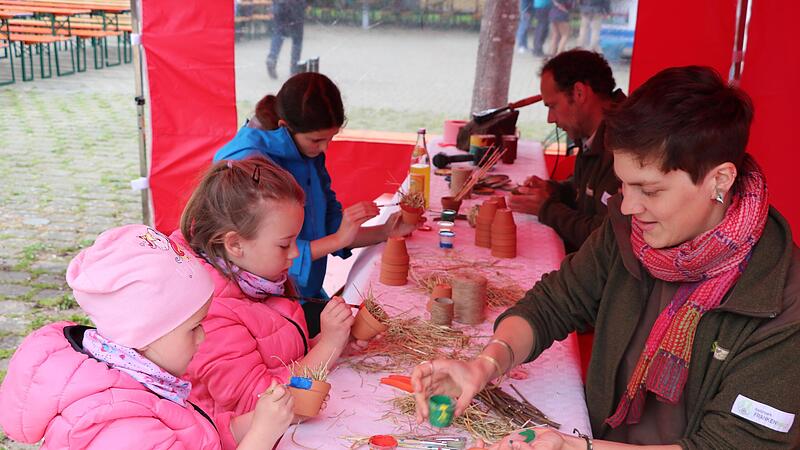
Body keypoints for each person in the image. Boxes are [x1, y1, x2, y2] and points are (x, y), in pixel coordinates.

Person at [412, 66, 800, 448]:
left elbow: (730, 445)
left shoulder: (781, 301)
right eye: (623, 184)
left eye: (649, 190)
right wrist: (484, 366)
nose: (628, 206)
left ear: (719, 180)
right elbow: (554, 303)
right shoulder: (630, 232)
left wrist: (578, 448)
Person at [0, 225, 294, 449]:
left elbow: (192, 435)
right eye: (193, 327)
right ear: (144, 333)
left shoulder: (139, 379)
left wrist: (256, 420)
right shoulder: (120, 428)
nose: (203, 337)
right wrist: (261, 436)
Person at [213, 73, 415, 337]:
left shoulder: (305, 150)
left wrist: (385, 231)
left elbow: (329, 226)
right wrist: (339, 237)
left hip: (301, 295)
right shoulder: (247, 163)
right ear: (285, 125)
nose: (324, 149)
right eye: (317, 140)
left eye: (331, 138)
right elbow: (260, 253)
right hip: (260, 305)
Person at [175, 157, 360, 417]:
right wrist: (328, 346)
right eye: (285, 244)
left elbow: (280, 356)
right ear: (235, 244)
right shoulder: (208, 312)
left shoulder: (258, 278)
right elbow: (259, 399)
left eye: (296, 239)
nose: (295, 253)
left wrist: (332, 342)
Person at [510, 49, 623, 253]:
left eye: (552, 106)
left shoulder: (624, 144)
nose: (550, 119)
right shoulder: (593, 133)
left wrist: (547, 209)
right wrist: (554, 190)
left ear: (579, 93)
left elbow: (608, 238)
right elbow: (586, 190)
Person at [267, 0, 306, 79]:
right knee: (297, 40)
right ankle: (294, 70)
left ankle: (272, 57)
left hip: (279, 4)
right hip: (296, 6)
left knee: (278, 33)